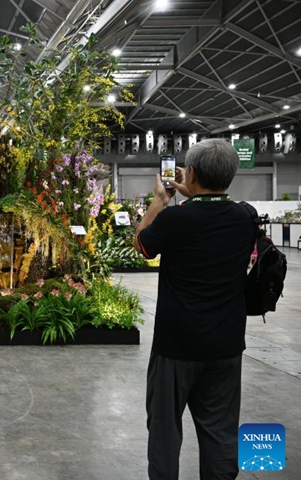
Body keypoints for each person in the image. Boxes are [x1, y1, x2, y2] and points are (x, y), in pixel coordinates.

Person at [134, 138, 256, 480]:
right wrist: (197, 194)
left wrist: (160, 200)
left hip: (177, 344)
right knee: (220, 431)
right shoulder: (245, 217)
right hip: (227, 345)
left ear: (192, 173)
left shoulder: (175, 220)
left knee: (164, 431)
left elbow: (142, 244)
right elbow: (214, 211)